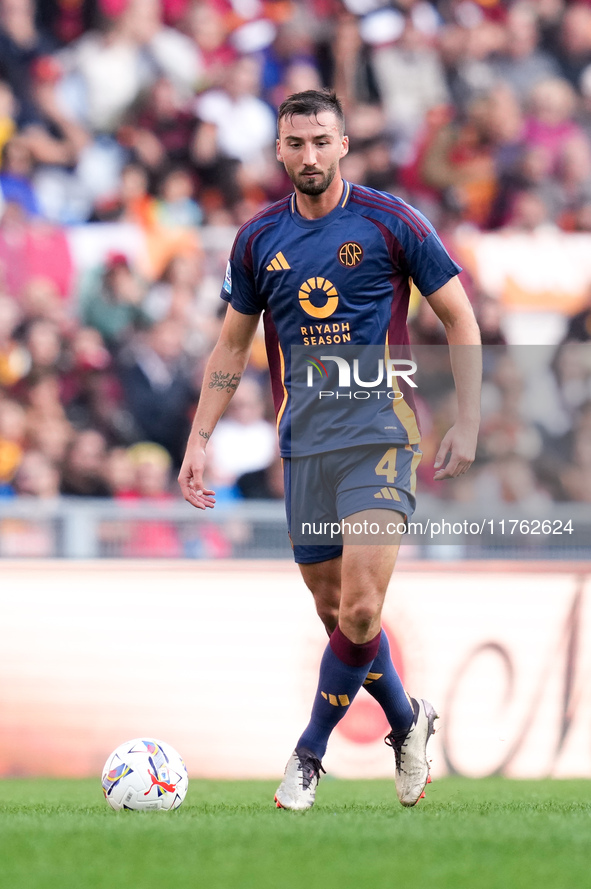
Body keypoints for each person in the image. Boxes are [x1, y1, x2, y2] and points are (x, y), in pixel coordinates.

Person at [178, 89, 481, 810]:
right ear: (278, 149)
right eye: (295, 143)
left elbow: (460, 317)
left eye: (321, 140)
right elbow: (231, 342)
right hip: (304, 447)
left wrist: (465, 419)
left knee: (360, 610)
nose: (308, 154)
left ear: (344, 144)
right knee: (337, 614)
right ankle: (409, 723)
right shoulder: (257, 240)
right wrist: (199, 436)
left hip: (380, 436)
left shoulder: (390, 221)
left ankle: (306, 755)